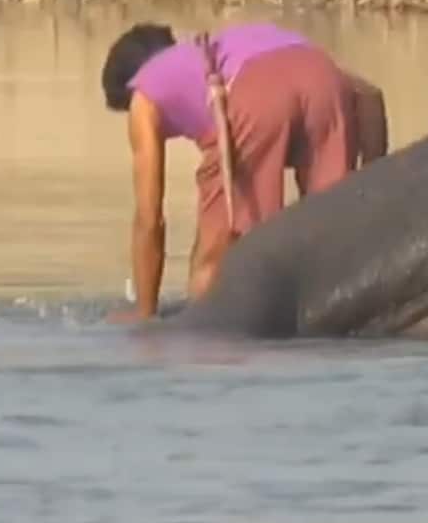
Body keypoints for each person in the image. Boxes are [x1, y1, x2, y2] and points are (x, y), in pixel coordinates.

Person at [98, 20, 388, 321]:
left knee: (215, 261)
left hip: (254, 94)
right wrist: (367, 190)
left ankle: (218, 353)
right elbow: (370, 96)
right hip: (322, 77)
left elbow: (149, 218)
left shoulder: (143, 92)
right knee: (332, 236)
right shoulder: (221, 45)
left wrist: (145, 311)